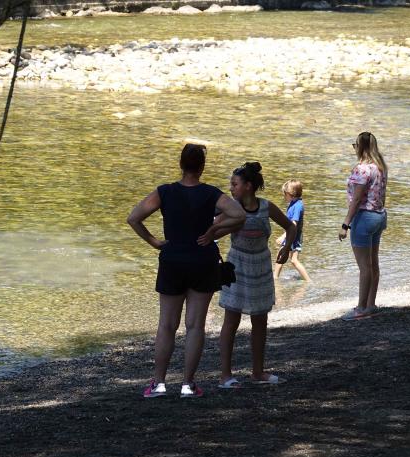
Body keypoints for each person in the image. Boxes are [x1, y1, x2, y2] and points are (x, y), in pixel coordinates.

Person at [127, 144, 245, 398]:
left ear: (181, 165)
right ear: (202, 167)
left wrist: (154, 242)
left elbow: (133, 218)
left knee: (167, 325)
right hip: (202, 261)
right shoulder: (211, 194)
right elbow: (239, 214)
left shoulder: (164, 192)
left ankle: (158, 384)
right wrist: (213, 231)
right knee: (194, 326)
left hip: (172, 260)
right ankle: (187, 385)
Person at [218, 162, 297, 388]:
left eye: (235, 184)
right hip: (237, 265)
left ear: (248, 186)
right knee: (231, 320)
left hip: (261, 266)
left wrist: (286, 249)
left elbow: (291, 227)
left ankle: (258, 372)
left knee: (260, 320)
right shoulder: (232, 208)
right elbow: (213, 230)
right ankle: (225, 375)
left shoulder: (266, 207)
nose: (231, 188)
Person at [338, 132, 388, 321]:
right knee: (373, 264)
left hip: (364, 218)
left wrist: (345, 224)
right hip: (379, 216)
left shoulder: (362, 169)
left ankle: (361, 308)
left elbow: (357, 199)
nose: (354, 148)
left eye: (355, 145)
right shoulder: (380, 167)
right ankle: (370, 304)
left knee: (364, 267)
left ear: (361, 147)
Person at [273, 180, 311, 282]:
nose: (284, 196)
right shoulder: (293, 203)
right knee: (281, 255)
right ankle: (275, 278)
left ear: (291, 194)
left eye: (285, 194)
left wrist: (283, 236)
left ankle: (308, 281)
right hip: (291, 235)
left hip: (294, 236)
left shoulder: (298, 206)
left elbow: (293, 224)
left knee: (294, 260)